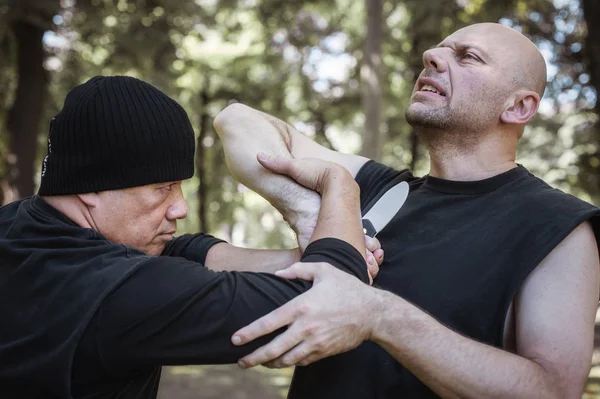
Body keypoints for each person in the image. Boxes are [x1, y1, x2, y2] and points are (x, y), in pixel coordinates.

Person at [214, 23, 600, 398]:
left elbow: (553, 389)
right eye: (440, 49)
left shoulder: (558, 226)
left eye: (468, 57)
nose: (431, 56)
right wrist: (306, 214)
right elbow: (237, 121)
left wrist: (378, 315)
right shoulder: (377, 190)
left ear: (518, 107)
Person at [0, 75, 383, 398]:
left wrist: (297, 260)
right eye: (161, 188)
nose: (179, 207)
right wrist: (340, 186)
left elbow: (177, 253)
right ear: (91, 187)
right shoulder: (111, 293)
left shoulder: (20, 227)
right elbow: (332, 300)